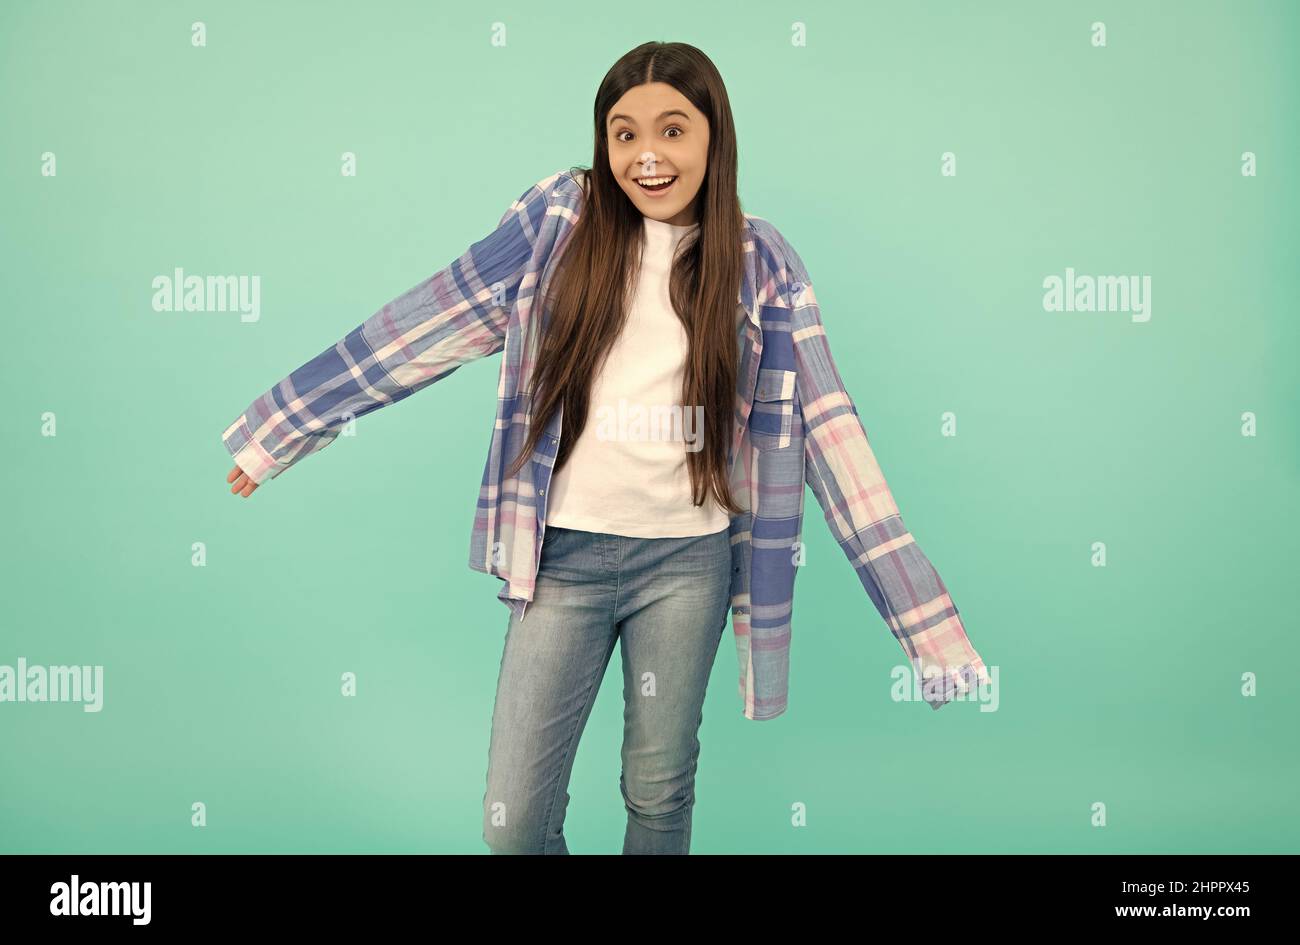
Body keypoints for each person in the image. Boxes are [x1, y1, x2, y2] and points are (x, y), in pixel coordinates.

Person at [221, 41, 990, 855]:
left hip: (687, 565)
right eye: (624, 134)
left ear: (714, 139)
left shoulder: (761, 264)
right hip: (563, 558)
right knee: (513, 822)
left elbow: (833, 436)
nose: (647, 156)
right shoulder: (563, 222)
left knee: (658, 793)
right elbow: (429, 322)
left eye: (672, 130)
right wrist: (287, 425)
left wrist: (929, 634)